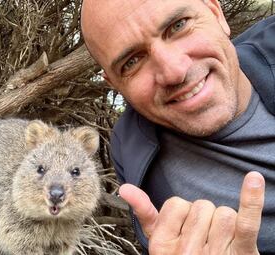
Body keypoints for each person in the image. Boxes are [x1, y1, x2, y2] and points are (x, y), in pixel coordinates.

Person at [81, 0, 275, 254]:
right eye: (132, 61)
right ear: (114, 83)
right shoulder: (130, 148)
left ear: (217, 14)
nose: (174, 71)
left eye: (178, 26)